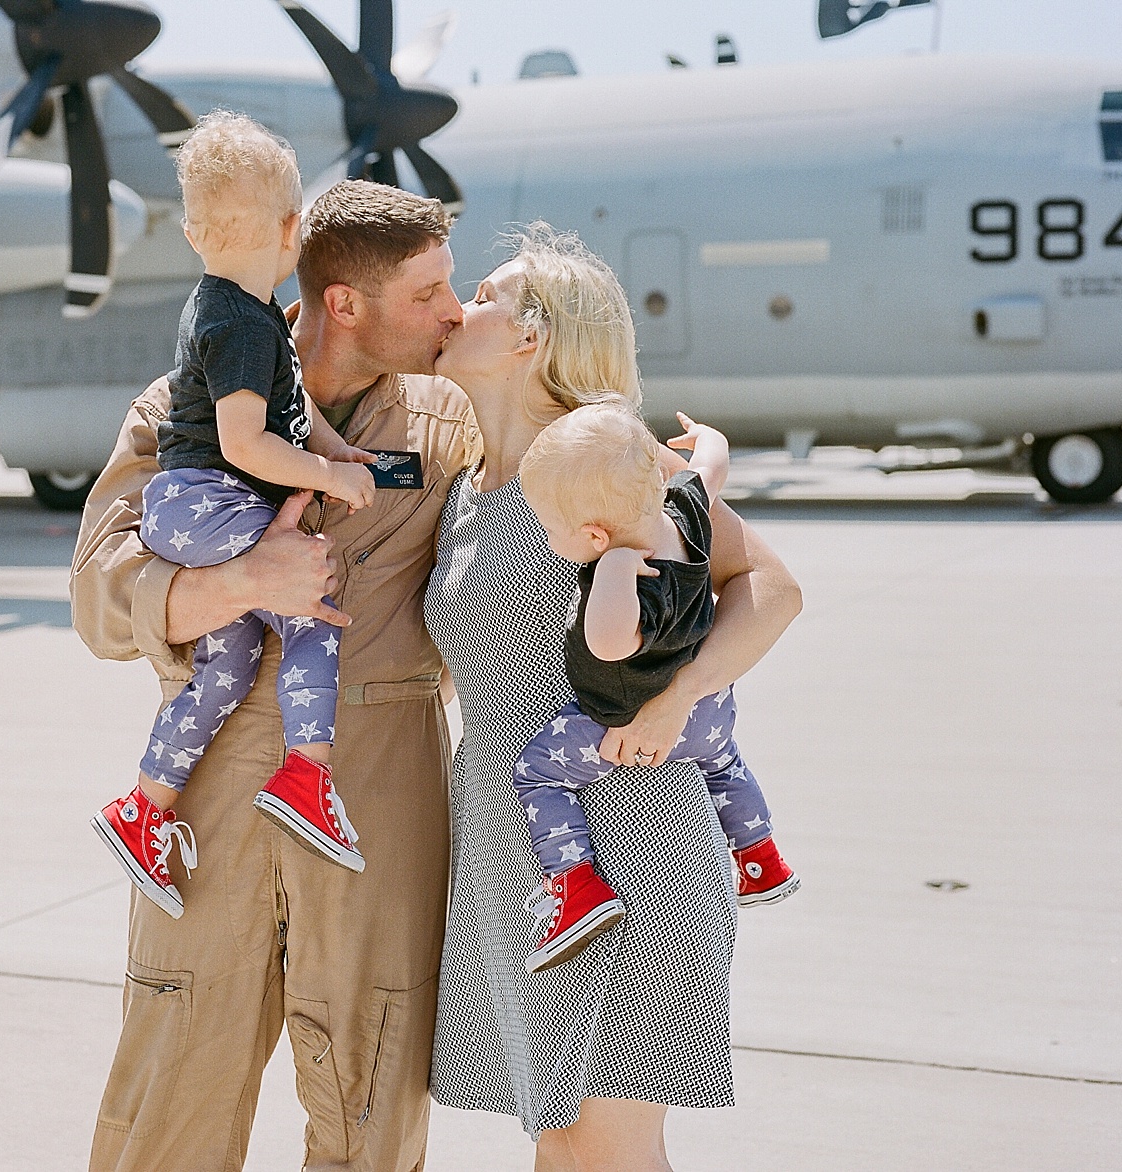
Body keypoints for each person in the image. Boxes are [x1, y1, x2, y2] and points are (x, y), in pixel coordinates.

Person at [72, 179, 473, 1172]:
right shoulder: (182, 410)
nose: (451, 313)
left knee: (370, 1090)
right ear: (345, 301)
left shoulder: (448, 424)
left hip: (378, 780)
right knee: (177, 1068)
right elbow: (96, 595)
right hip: (213, 776)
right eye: (426, 294)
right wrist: (241, 581)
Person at [424, 223, 802, 1172]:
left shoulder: (603, 458)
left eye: (483, 294)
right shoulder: (470, 487)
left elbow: (772, 588)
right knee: (572, 1150)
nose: (455, 307)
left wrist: (680, 699)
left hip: (633, 850)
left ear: (531, 337)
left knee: (603, 1153)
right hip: (522, 864)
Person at [91, 111, 378, 916]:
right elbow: (248, 442)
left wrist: (333, 449)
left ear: (192, 233)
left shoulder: (239, 312)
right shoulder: (243, 324)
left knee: (229, 661)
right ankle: (307, 775)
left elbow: (291, 410)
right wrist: (326, 473)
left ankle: (144, 808)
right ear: (293, 230)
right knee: (309, 606)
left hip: (188, 508)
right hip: (205, 500)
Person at [511, 402, 800, 973]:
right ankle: (759, 855)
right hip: (708, 712)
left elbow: (610, 644)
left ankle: (575, 884)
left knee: (539, 769)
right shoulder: (687, 511)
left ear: (593, 532)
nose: (549, 538)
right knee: (724, 764)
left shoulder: (624, 570)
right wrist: (708, 437)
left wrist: (614, 571)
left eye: (550, 529)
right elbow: (711, 467)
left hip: (624, 720)